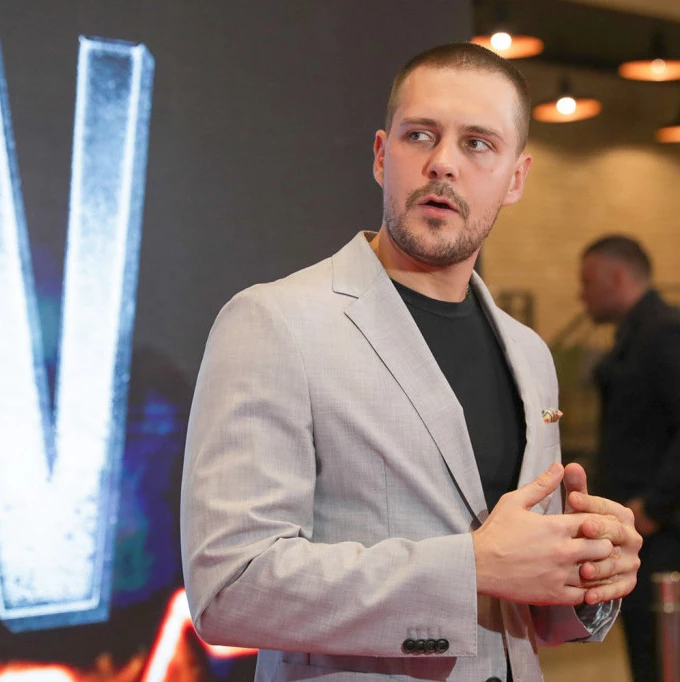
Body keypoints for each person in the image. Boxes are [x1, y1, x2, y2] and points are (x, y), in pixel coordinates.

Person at [181, 43, 642, 682]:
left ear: (515, 178)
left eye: (477, 143)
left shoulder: (529, 353)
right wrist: (471, 566)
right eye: (420, 134)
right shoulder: (275, 322)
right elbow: (229, 586)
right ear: (381, 155)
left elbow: (520, 604)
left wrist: (589, 576)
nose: (443, 162)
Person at [579, 235, 680, 682]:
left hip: (666, 537)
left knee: (665, 666)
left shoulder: (665, 331)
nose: (581, 295)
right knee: (650, 663)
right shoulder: (640, 331)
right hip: (645, 534)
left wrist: (654, 507)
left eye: (588, 282)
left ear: (616, 277)